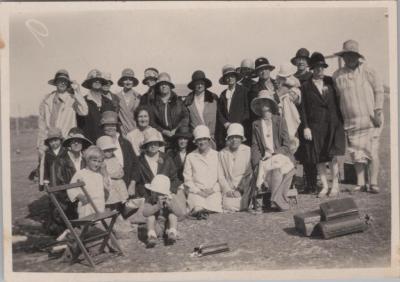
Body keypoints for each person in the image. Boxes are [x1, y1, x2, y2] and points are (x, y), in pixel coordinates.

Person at [332, 40, 384, 194]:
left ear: (358, 56)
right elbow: (337, 97)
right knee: (356, 153)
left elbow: (379, 91)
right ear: (343, 57)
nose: (349, 58)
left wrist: (378, 111)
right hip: (351, 122)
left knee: (372, 151)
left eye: (352, 55)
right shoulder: (337, 76)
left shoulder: (369, 71)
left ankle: (373, 183)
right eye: (347, 55)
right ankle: (360, 183)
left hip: (371, 119)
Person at [300, 52, 345, 198]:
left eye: (322, 67)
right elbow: (304, 109)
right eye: (316, 67)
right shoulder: (305, 86)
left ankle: (335, 185)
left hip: (332, 124)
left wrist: (341, 122)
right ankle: (325, 186)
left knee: (332, 156)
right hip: (315, 127)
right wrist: (306, 127)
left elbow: (340, 102)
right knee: (319, 157)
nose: (320, 70)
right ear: (312, 69)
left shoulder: (331, 81)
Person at [250, 90, 296, 211]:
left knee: (277, 165)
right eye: (261, 102)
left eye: (266, 101)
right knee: (270, 167)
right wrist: (257, 161)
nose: (263, 104)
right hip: (265, 158)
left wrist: (274, 153)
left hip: (280, 155)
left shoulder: (280, 121)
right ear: (258, 106)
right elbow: (255, 146)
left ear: (271, 104)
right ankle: (279, 200)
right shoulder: (256, 124)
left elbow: (286, 144)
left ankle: (275, 198)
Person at [44, 127, 92, 236]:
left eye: (79, 141)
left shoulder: (86, 160)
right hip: (68, 203)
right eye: (73, 141)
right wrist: (76, 196)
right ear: (69, 143)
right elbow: (58, 189)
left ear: (83, 144)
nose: (76, 144)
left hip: (87, 199)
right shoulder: (59, 161)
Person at [37, 70, 88, 154]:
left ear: (68, 84)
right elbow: (41, 124)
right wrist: (40, 144)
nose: (62, 83)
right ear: (56, 83)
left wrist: (77, 91)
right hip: (50, 141)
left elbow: (84, 111)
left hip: (66, 140)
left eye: (65, 81)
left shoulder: (72, 98)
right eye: (60, 81)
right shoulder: (47, 100)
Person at [290, 48, 318, 194]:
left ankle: (312, 182)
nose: (301, 62)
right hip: (294, 117)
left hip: (309, 117)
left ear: (308, 63)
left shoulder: (312, 77)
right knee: (297, 149)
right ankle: (296, 182)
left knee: (309, 150)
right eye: (299, 60)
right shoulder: (291, 78)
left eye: (304, 60)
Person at [183, 125, 223, 218]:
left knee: (214, 205)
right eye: (198, 140)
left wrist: (212, 190)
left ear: (209, 140)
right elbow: (187, 179)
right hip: (197, 192)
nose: (201, 142)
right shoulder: (190, 156)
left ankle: (202, 212)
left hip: (212, 192)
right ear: (195, 142)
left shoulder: (217, 155)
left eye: (204, 139)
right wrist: (198, 191)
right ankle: (199, 211)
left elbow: (221, 177)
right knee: (197, 204)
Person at [100, 111, 139, 198]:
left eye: (113, 125)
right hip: (108, 189)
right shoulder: (99, 144)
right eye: (107, 125)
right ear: (103, 127)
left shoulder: (125, 143)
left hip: (127, 185)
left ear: (117, 126)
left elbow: (135, 164)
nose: (110, 128)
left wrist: (132, 184)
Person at [142, 175, 186, 248]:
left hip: (168, 227)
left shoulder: (171, 199)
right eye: (153, 192)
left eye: (158, 193)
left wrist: (171, 206)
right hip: (156, 227)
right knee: (151, 217)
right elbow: (145, 213)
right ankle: (152, 236)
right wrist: (157, 206)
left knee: (172, 215)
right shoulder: (150, 200)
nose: (155, 195)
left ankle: (172, 233)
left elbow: (180, 214)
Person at [147, 72, 189, 147]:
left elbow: (185, 117)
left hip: (177, 138)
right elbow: (151, 121)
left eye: (166, 84)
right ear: (158, 86)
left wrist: (176, 129)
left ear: (170, 86)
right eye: (161, 84)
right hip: (160, 139)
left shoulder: (178, 102)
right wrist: (163, 131)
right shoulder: (153, 103)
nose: (163, 86)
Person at [218, 123, 254, 212]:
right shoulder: (222, 153)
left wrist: (240, 190)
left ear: (242, 139)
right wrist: (227, 190)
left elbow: (249, 173)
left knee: (242, 204)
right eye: (232, 137)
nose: (234, 140)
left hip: (244, 188)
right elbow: (220, 175)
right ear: (228, 139)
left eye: (237, 137)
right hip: (229, 189)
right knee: (228, 205)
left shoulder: (248, 151)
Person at [67, 145, 108, 218]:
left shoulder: (99, 175)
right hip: (87, 206)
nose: (96, 164)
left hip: (99, 204)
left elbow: (107, 187)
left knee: (98, 223)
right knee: (88, 224)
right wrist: (80, 196)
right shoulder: (81, 173)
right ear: (87, 160)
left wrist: (105, 174)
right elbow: (70, 188)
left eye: (99, 162)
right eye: (94, 161)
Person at [77, 69, 116, 143]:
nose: (97, 82)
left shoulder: (109, 102)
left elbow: (113, 125)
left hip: (106, 143)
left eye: (99, 80)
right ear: (89, 83)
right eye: (94, 80)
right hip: (89, 143)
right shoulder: (83, 102)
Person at [216, 65, 250, 149]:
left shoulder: (244, 91)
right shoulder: (223, 94)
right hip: (227, 129)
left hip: (241, 128)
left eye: (232, 76)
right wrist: (225, 123)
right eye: (227, 77)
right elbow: (219, 112)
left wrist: (237, 124)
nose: (230, 78)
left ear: (235, 77)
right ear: (225, 79)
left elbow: (247, 111)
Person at [184, 70, 219, 148]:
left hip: (212, 139)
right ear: (193, 85)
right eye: (197, 84)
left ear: (205, 84)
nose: (199, 86)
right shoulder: (188, 101)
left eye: (202, 83)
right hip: (196, 140)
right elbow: (186, 122)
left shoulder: (213, 98)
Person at [96, 135, 129, 211]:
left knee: (118, 202)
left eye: (110, 150)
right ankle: (109, 217)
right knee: (109, 202)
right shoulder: (101, 162)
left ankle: (117, 215)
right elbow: (102, 174)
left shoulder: (114, 159)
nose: (109, 152)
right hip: (109, 185)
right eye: (106, 150)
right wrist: (111, 175)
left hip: (118, 184)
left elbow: (121, 170)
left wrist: (120, 174)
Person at [275, 63, 302, 154]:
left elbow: (295, 94)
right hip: (281, 108)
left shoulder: (294, 81)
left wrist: (286, 85)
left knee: (291, 128)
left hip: (290, 108)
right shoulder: (278, 80)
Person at [116, 68, 141, 136]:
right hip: (122, 131)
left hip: (136, 130)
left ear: (133, 82)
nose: (128, 82)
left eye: (130, 79)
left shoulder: (138, 96)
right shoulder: (116, 97)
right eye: (125, 79)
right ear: (122, 81)